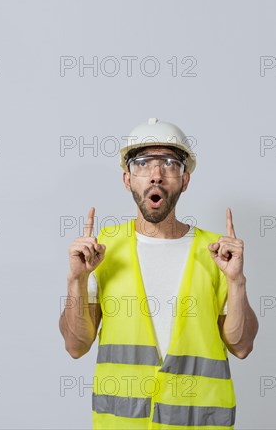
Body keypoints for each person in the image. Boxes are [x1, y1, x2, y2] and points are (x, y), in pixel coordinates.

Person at [59, 118, 259, 429]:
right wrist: (76, 281)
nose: (156, 175)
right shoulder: (101, 250)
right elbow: (75, 346)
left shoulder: (216, 252)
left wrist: (237, 281)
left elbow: (242, 346)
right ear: (127, 179)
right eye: (143, 164)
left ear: (185, 179)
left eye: (169, 163)